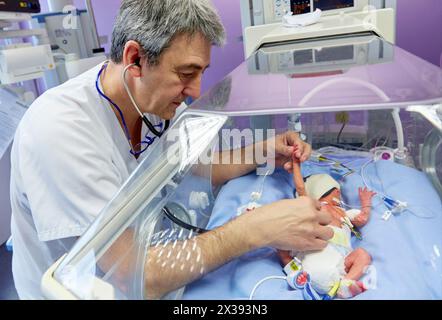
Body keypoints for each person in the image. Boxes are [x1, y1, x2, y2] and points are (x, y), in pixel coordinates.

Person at [10, 0, 333, 300]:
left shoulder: (154, 102)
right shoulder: (61, 129)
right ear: (135, 59)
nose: (195, 91)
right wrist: (253, 230)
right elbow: (131, 275)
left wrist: (260, 151)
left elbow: (193, 167)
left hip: (151, 254)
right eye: (186, 74)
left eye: (201, 73)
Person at [280, 174, 375, 299]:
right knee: (282, 246)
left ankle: (345, 285)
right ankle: (298, 275)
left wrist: (366, 203)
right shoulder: (315, 209)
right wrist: (296, 166)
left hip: (339, 267)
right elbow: (301, 189)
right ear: (336, 191)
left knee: (363, 255)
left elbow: (362, 218)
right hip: (315, 260)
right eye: (338, 193)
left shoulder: (345, 214)